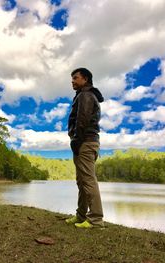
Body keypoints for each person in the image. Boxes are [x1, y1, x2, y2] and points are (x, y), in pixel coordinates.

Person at [66, 68, 105, 228]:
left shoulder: (86, 95)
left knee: (88, 180)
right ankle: (81, 216)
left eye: (76, 78)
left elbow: (82, 119)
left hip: (85, 142)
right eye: (72, 78)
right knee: (81, 181)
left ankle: (96, 220)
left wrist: (76, 140)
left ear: (86, 79)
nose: (72, 81)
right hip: (85, 141)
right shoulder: (84, 95)